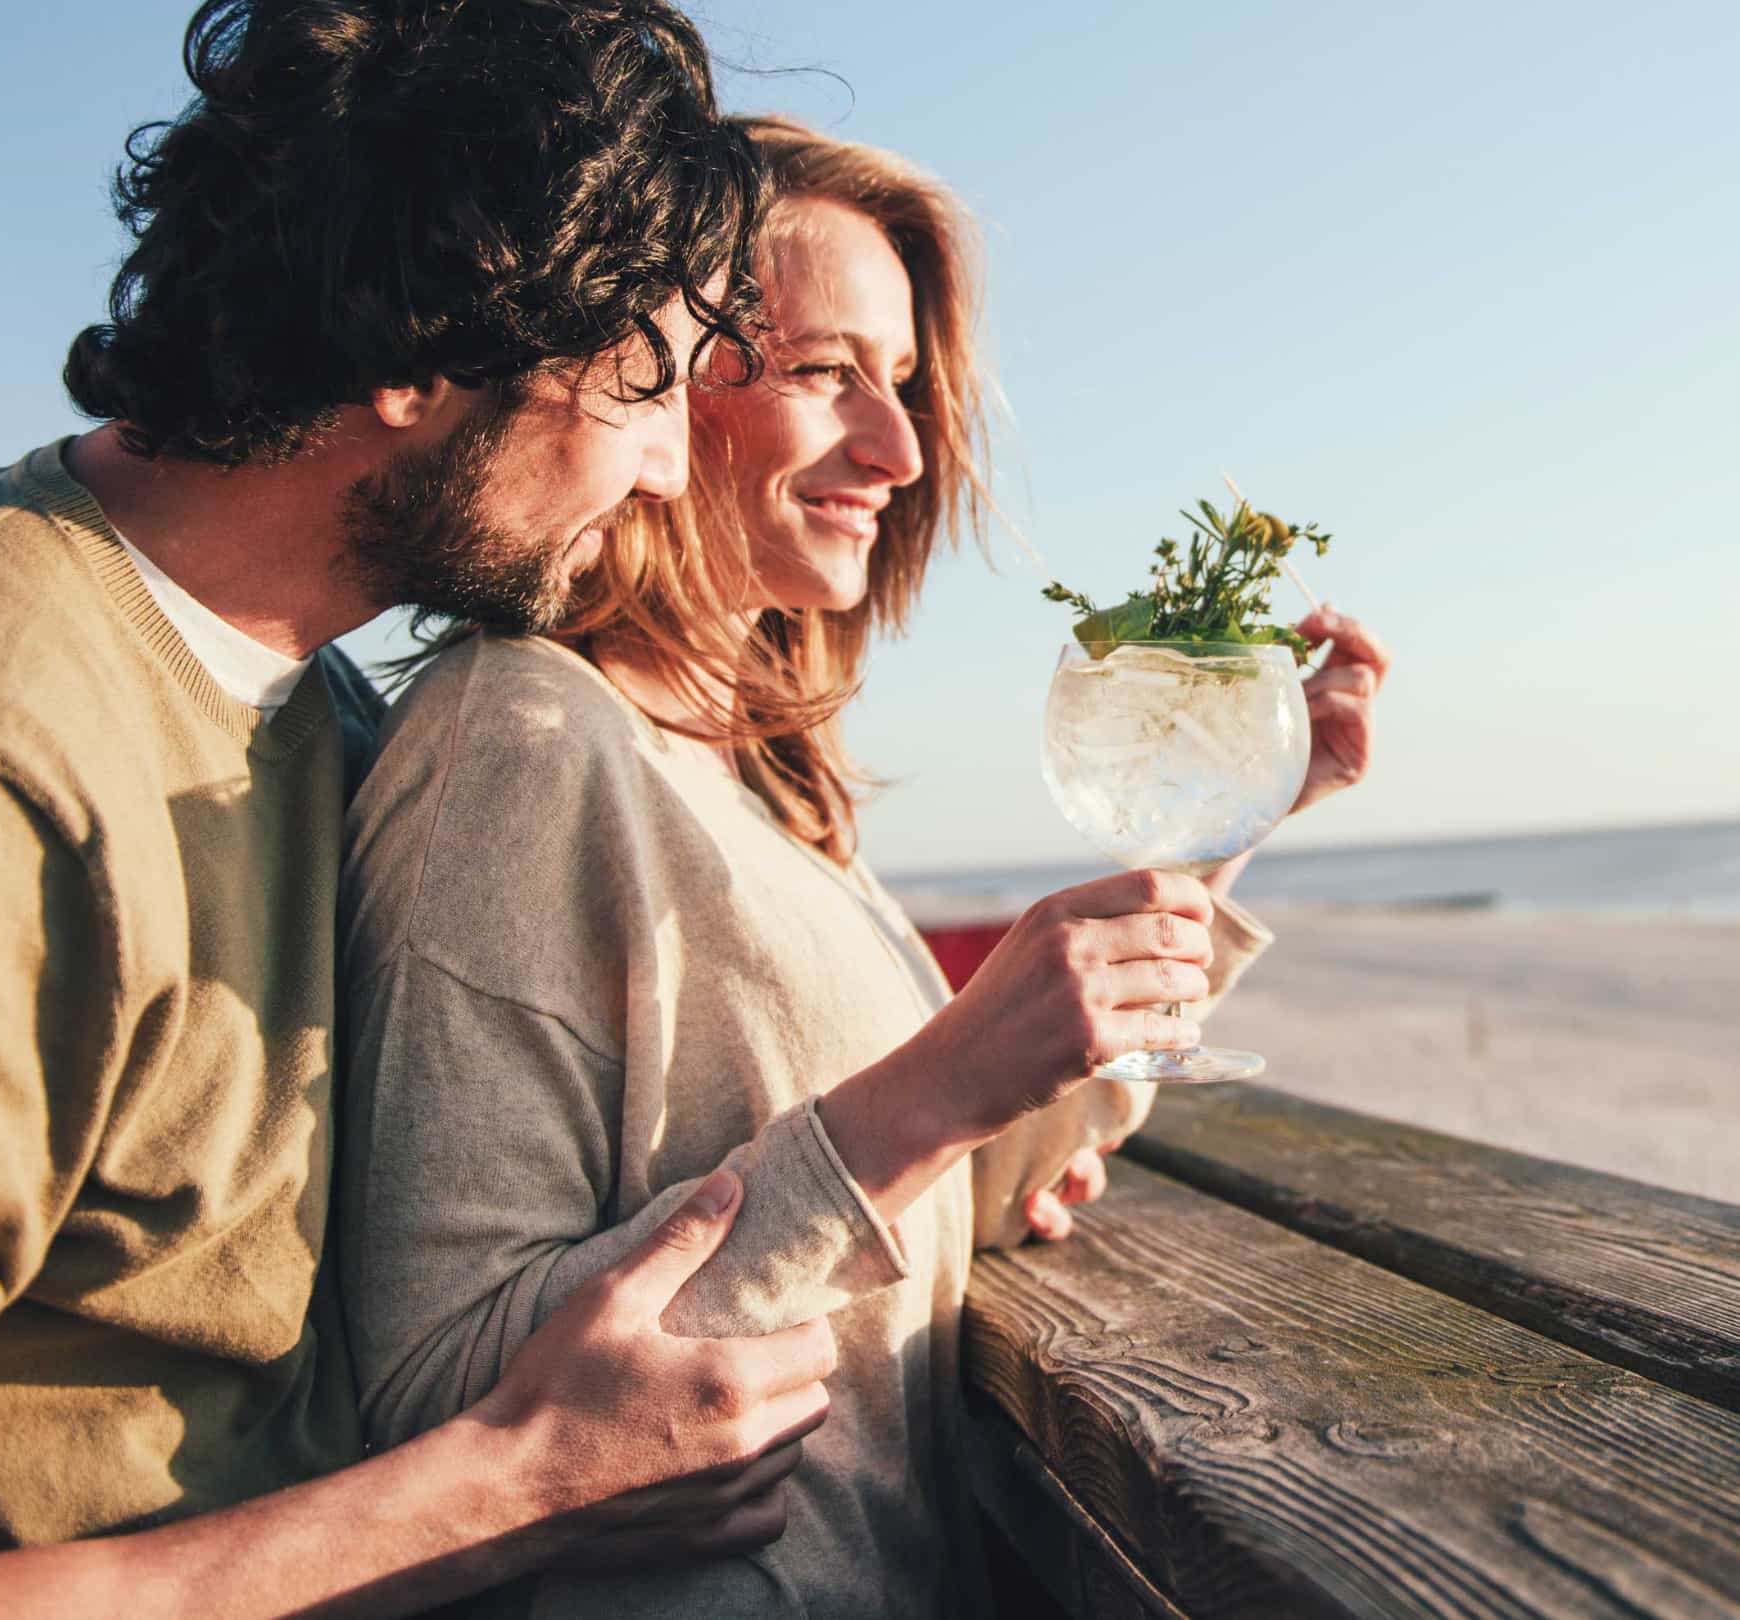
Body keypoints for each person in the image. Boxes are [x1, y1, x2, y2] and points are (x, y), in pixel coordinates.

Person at [0, 0, 843, 1620]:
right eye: (641, 386)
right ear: (428, 349)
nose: (665, 471)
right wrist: (515, 1488)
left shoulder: (313, 710)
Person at [338, 115, 1391, 1615]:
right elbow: (440, 1393)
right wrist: (940, 1085)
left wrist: (1233, 825)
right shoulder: (513, 739)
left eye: (899, 383)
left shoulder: (761, 786)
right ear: (648, 369)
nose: (899, 451)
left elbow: (951, 1189)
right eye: (827, 370)